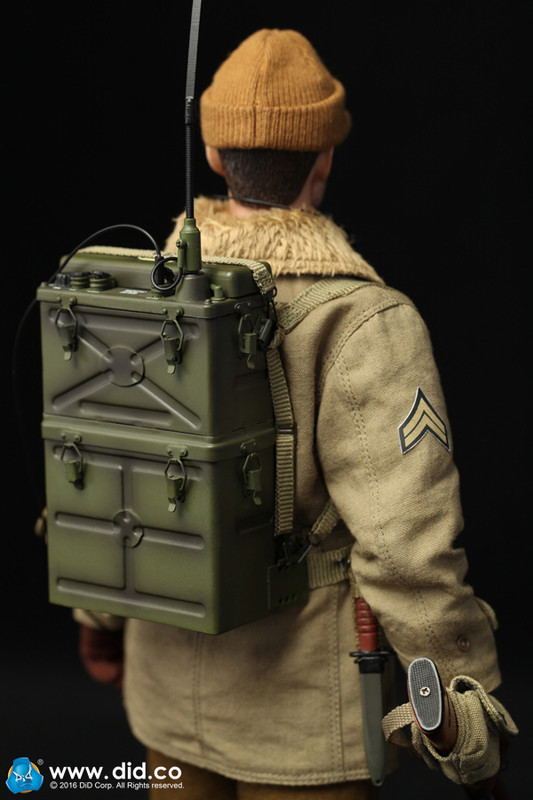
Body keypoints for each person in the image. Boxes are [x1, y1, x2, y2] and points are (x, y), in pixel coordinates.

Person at [76, 28, 516, 799]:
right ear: (325, 159)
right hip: (301, 710)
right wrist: (462, 697)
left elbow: (104, 462)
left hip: (165, 681)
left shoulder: (137, 293)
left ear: (213, 157)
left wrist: (96, 617)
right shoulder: (363, 320)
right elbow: (406, 547)